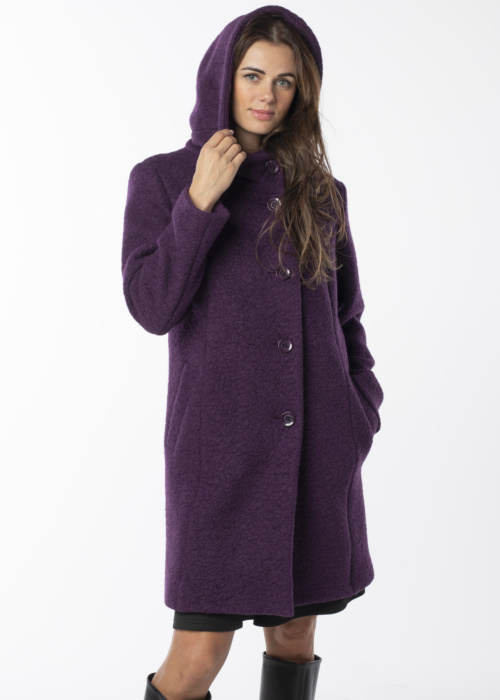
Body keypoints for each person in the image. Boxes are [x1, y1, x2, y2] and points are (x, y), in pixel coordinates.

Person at [121, 6, 384, 700]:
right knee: (198, 656)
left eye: (285, 81)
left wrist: (358, 412)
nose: (267, 94)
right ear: (222, 77)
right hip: (219, 460)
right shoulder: (161, 180)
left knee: (295, 635)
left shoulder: (322, 195)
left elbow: (347, 318)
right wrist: (199, 202)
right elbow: (151, 307)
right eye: (252, 75)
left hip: (316, 452)